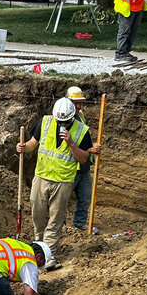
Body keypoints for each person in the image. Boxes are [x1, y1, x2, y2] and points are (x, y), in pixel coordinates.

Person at [16, 97, 92, 269]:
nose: (61, 124)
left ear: (72, 116)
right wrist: (23, 147)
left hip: (63, 181)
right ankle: (38, 248)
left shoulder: (82, 130)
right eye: (59, 121)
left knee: (56, 219)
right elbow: (32, 144)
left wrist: (71, 143)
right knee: (38, 214)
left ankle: (49, 255)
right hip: (42, 176)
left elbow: (83, 158)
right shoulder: (45, 122)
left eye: (65, 121)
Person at [66, 86, 102, 232]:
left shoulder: (80, 116)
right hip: (71, 167)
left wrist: (89, 147)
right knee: (62, 198)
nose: (79, 106)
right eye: (75, 103)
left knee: (85, 198)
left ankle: (80, 223)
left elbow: (82, 139)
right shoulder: (64, 118)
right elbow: (66, 144)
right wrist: (89, 149)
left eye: (80, 102)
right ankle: (59, 224)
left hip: (84, 166)